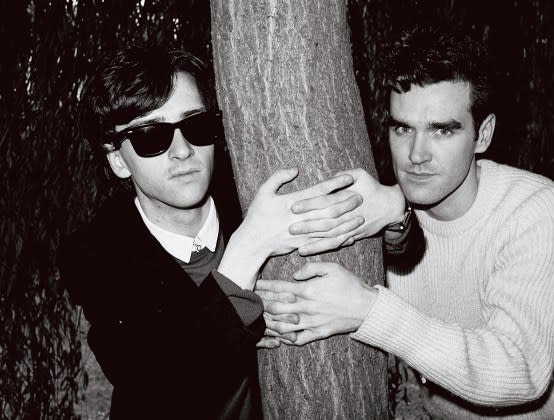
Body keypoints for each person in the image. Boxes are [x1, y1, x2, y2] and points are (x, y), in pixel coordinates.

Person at [256, 27, 554, 418]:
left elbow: (519, 371)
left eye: (443, 130)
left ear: (483, 134)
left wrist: (369, 310)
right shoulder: (383, 216)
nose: (416, 155)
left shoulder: (538, 209)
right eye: (402, 128)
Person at [58, 45, 363, 419]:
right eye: (152, 136)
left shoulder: (252, 193)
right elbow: (156, 385)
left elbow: (386, 251)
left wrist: (398, 217)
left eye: (196, 125)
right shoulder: (96, 255)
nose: (183, 150)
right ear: (119, 160)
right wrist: (249, 249)